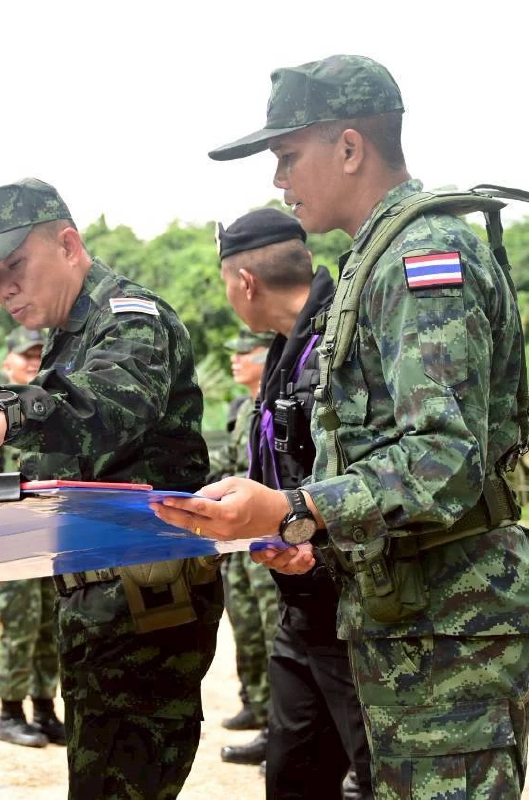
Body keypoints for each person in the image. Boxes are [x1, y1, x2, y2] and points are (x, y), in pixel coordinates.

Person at [157, 54, 529, 797]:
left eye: (287, 155)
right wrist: (311, 534)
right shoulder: (375, 259)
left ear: (351, 147)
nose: (278, 179)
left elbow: (444, 458)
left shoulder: (423, 257)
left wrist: (296, 505)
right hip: (411, 622)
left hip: (449, 636)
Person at [0, 178, 216, 799]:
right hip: (96, 600)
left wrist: (1, 411)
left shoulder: (130, 319)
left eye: (15, 267)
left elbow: (108, 405)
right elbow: (55, 479)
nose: (4, 289)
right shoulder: (68, 339)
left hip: (148, 597)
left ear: (68, 244)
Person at [217, 207, 372, 798]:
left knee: (381, 778)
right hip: (304, 607)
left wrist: (303, 526)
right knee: (292, 779)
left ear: (245, 282)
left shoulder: (344, 341)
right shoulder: (289, 349)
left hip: (359, 613)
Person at [0, 326, 64, 749]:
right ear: (7, 363)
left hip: (50, 535)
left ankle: (45, 709)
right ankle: (9, 713)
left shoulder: (54, 410)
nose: (33, 362)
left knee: (49, 625)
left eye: (39, 355)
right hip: (10, 536)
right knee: (20, 625)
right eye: (26, 355)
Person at [210, 328, 278, 767]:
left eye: (245, 351)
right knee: (247, 624)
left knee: (274, 632)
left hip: (270, 535)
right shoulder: (244, 408)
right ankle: (256, 704)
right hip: (237, 540)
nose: (235, 359)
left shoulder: (276, 402)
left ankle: (278, 728)